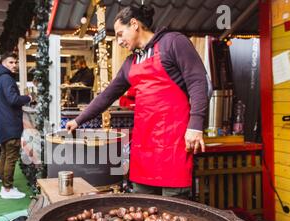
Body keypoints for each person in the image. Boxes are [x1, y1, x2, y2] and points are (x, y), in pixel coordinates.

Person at [66, 5, 210, 199]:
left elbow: (198, 80)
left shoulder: (173, 42)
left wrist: (195, 125)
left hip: (173, 142)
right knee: (143, 204)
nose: (119, 41)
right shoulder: (130, 63)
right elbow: (107, 95)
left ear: (134, 24)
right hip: (144, 145)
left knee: (175, 207)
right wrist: (78, 120)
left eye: (119, 34)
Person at [0, 52, 32, 199]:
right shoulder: (7, 78)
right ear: (2, 63)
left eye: (15, 62)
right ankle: (7, 189)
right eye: (11, 62)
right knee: (10, 157)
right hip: (10, 124)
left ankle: (5, 186)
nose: (14, 65)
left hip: (4, 123)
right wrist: (28, 97)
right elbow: (13, 99)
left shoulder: (0, 78)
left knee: (4, 155)